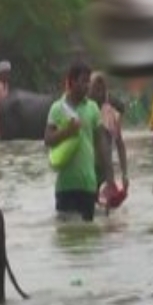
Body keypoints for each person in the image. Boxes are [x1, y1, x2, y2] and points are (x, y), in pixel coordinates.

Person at [44, 61, 114, 222]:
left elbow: (102, 145)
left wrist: (109, 181)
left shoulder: (92, 108)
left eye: (88, 81)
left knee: (88, 236)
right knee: (68, 237)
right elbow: (48, 140)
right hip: (65, 186)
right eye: (84, 81)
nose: (87, 85)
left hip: (89, 185)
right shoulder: (57, 108)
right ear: (72, 81)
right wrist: (67, 131)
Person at [89, 71, 129, 195]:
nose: (99, 93)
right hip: (87, 168)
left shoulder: (109, 112)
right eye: (96, 89)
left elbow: (119, 143)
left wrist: (125, 174)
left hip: (105, 170)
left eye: (102, 89)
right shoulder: (83, 108)